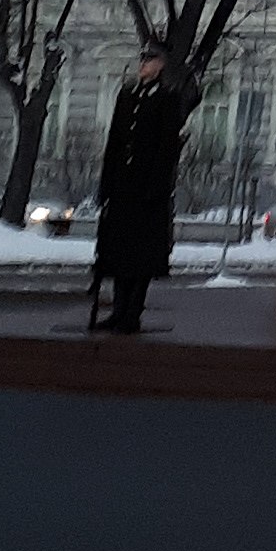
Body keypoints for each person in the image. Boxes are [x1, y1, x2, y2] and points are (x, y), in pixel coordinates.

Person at [91, 45, 197, 335]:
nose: (143, 64)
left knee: (140, 258)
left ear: (161, 65)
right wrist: (106, 186)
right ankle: (118, 311)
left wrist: (157, 188)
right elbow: (115, 142)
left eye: (149, 60)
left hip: (146, 191)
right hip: (123, 189)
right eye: (142, 60)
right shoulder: (127, 96)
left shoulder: (166, 99)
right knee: (118, 254)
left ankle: (132, 313)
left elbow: (166, 149)